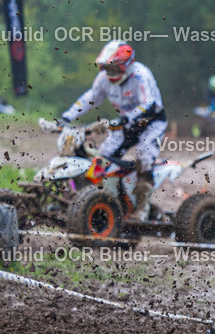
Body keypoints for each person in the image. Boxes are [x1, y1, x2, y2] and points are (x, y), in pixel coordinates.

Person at [60, 40, 166, 222]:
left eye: (114, 68)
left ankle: (142, 208)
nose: (110, 72)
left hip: (151, 122)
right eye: (106, 67)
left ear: (127, 65)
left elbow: (150, 103)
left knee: (145, 156)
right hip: (124, 125)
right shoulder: (103, 78)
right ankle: (109, 201)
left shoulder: (141, 75)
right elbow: (90, 98)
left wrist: (128, 117)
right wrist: (67, 117)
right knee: (102, 159)